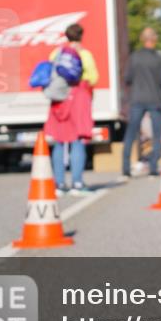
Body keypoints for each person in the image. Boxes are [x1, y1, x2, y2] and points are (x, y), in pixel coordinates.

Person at [44, 23, 98, 196]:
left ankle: (59, 184)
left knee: (59, 141)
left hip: (59, 100)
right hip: (78, 98)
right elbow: (93, 78)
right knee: (78, 140)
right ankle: (77, 183)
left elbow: (50, 74)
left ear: (66, 36)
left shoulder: (57, 53)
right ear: (81, 36)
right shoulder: (85, 54)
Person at [121, 27, 161, 180]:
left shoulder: (134, 57)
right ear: (154, 39)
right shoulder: (158, 58)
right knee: (156, 134)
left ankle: (126, 168)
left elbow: (127, 78)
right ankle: (153, 168)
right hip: (155, 99)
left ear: (142, 39)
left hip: (137, 99)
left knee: (131, 133)